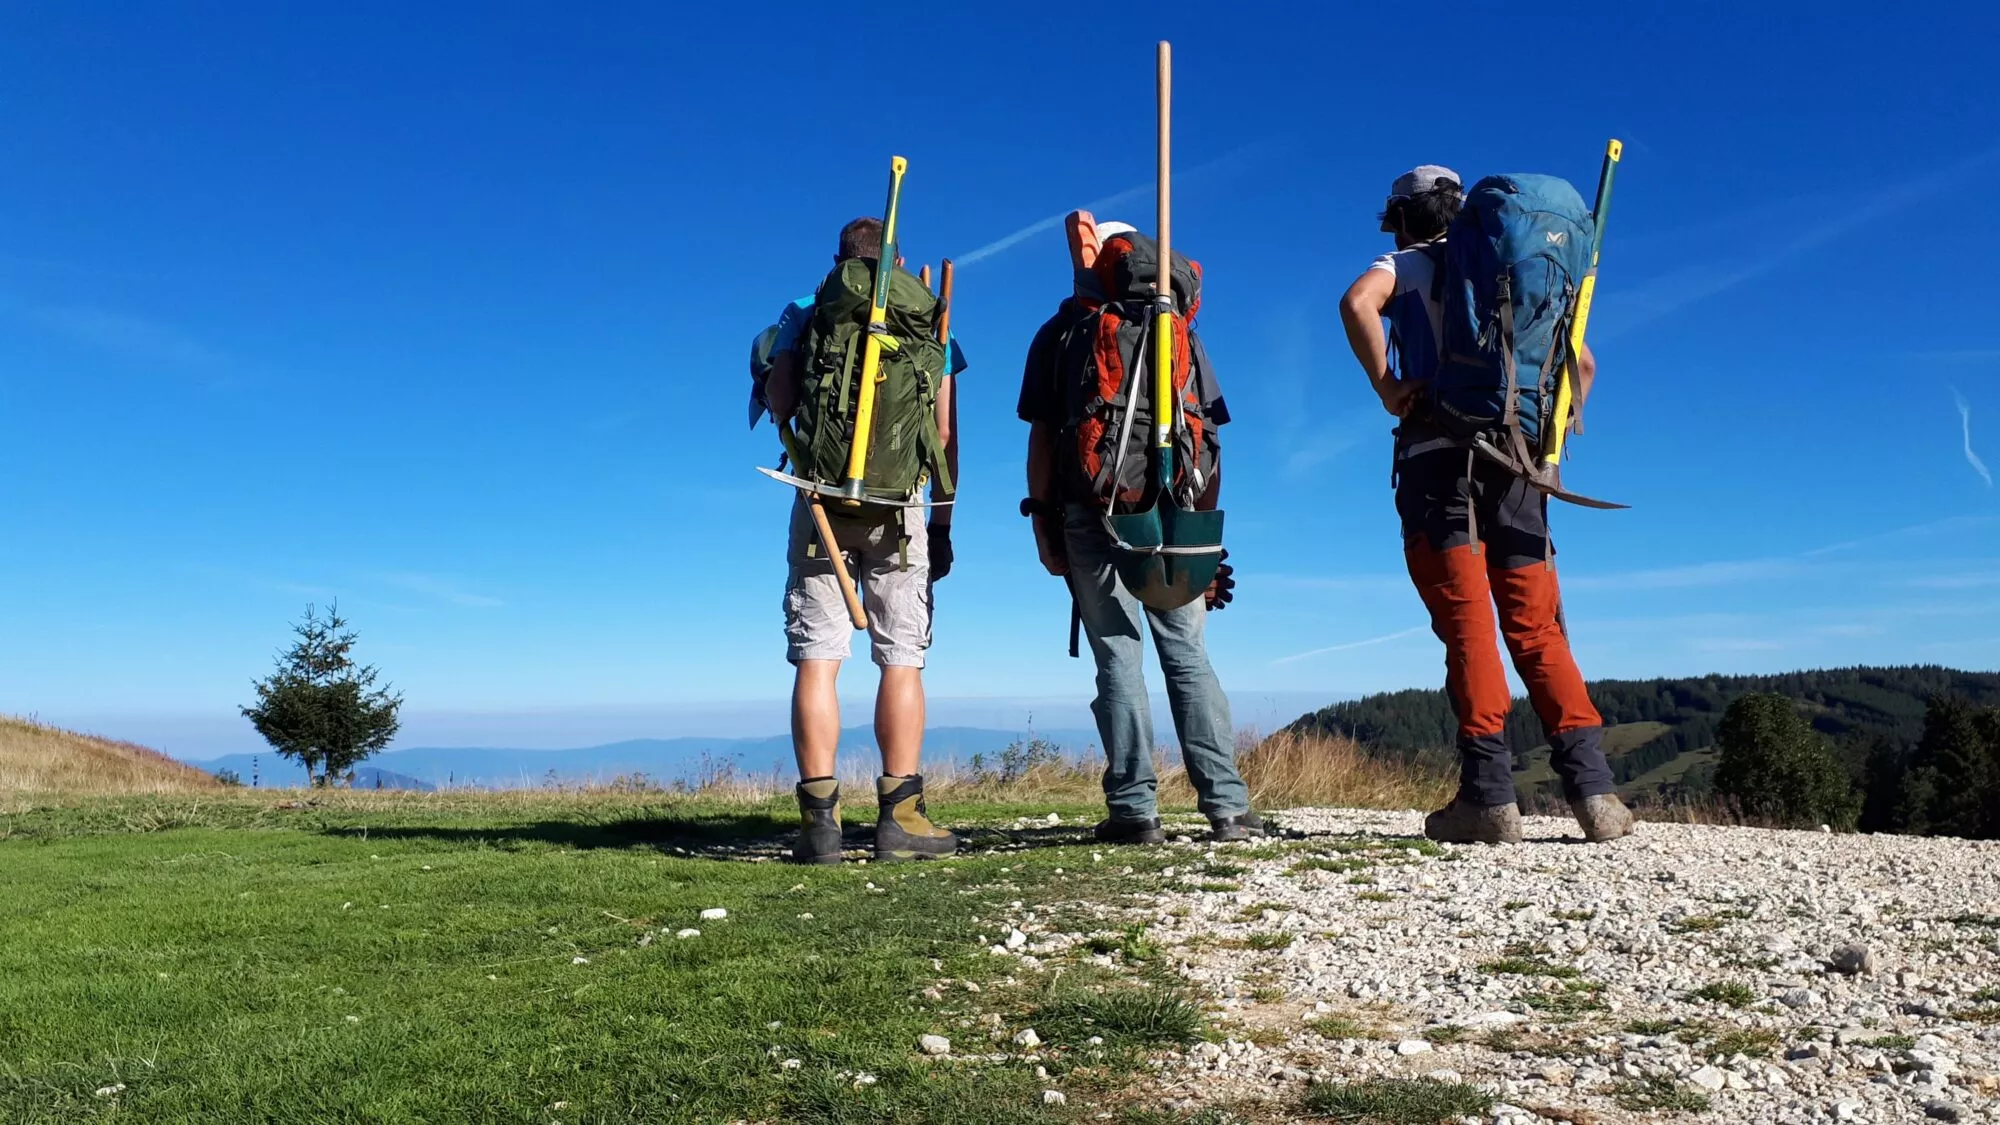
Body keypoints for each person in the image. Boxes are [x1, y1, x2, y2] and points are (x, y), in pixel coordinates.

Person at [1338, 165, 1634, 845]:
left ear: (1403, 216)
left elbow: (1358, 303)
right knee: (1538, 627)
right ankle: (1595, 795)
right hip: (1523, 462)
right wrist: (1550, 441)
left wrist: (1388, 385)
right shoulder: (1517, 272)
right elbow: (1582, 365)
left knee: (1469, 624)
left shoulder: (1410, 262)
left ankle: (1489, 799)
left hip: (1439, 462)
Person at [1016, 213, 1264, 845]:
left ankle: (1134, 811)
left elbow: (1043, 438)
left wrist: (1043, 522)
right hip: (1178, 511)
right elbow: (1207, 434)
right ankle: (1228, 807)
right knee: (1187, 654)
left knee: (1118, 658)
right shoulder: (1178, 330)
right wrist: (1205, 542)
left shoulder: (1062, 332)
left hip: (1091, 509)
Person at [762, 216, 965, 863]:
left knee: (818, 655)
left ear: (839, 260)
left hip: (821, 495)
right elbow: (944, 427)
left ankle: (820, 823)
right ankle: (900, 817)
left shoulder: (809, 309)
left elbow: (779, 395)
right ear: (899, 261)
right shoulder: (926, 316)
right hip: (899, 504)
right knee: (900, 655)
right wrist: (942, 521)